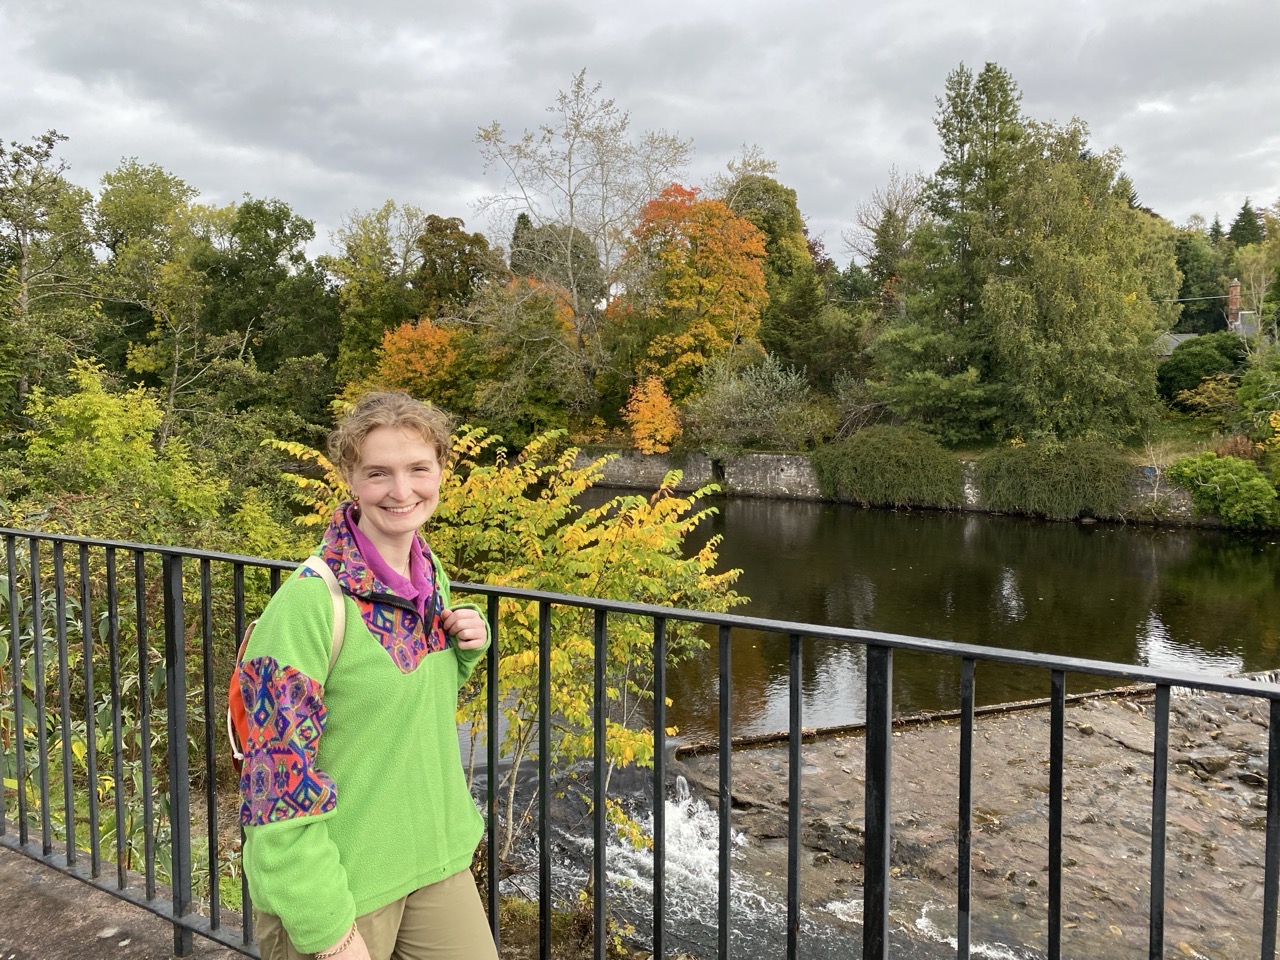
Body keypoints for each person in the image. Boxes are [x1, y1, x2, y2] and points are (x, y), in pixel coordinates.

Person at [238, 391, 498, 960]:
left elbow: (397, 706)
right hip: (342, 884)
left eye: (418, 469)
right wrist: (329, 933)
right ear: (350, 479)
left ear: (442, 472)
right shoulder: (307, 607)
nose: (401, 491)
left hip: (434, 860)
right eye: (378, 473)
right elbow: (275, 787)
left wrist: (464, 651)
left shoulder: (429, 575)